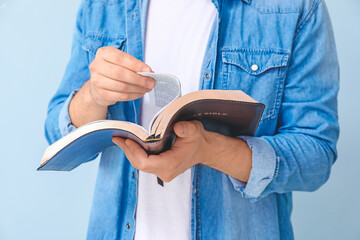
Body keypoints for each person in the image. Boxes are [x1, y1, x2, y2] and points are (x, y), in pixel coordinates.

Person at [45, 0, 339, 239]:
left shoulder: (295, 7)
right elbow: (56, 133)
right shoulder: (102, 6)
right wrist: (93, 96)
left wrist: (208, 149)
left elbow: (316, 156)